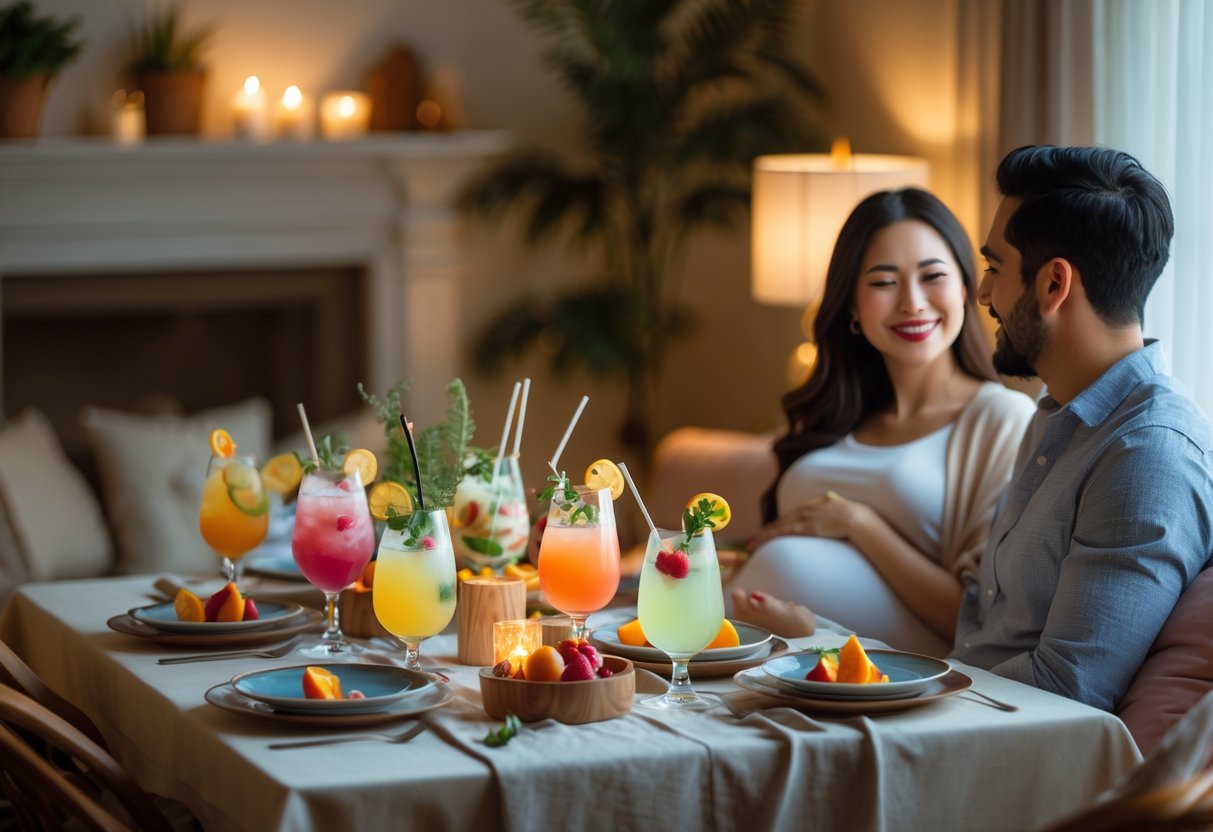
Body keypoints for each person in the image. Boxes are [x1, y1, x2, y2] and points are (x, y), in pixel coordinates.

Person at [949, 145, 1213, 711]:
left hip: (1002, 754)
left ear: (1053, 285)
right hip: (958, 714)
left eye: (995, 267)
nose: (982, 293)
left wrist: (893, 689)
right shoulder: (1055, 415)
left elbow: (1068, 691)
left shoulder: (1148, 454)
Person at [727, 188, 1035, 656]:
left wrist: (858, 524)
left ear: (968, 287)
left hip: (869, 679)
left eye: (932, 276)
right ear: (851, 304)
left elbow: (976, 617)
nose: (912, 302)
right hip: (754, 662)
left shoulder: (999, 418)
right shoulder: (839, 414)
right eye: (883, 282)